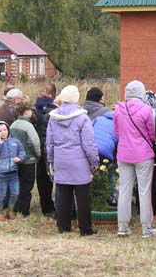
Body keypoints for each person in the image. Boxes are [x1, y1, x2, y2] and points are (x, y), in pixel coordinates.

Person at [46, 85, 100, 235]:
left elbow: (49, 142)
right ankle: (85, 228)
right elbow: (89, 144)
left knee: (63, 193)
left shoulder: (53, 117)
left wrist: (50, 160)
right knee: (82, 196)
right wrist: (94, 161)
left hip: (60, 159)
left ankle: (63, 226)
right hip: (79, 161)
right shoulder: (83, 117)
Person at [114, 80, 156, 238]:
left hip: (124, 153)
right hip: (143, 154)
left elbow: (117, 132)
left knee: (124, 190)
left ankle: (123, 226)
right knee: (144, 190)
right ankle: (146, 227)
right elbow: (152, 134)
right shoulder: (146, 110)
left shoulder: (118, 109)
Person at [10, 99, 42, 217]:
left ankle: (15, 208)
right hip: (29, 161)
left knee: (17, 184)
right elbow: (34, 143)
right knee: (27, 186)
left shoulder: (13, 125)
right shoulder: (28, 126)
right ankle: (24, 211)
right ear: (27, 111)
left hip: (17, 160)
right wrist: (37, 155)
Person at [0, 121, 25, 221]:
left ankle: (11, 210)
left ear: (8, 130)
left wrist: (20, 158)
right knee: (2, 193)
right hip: (1, 174)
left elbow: (22, 151)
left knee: (15, 192)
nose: (3, 132)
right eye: (0, 131)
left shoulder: (15, 142)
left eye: (4, 130)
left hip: (13, 173)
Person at [34, 84, 58, 216]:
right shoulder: (52, 111)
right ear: (52, 94)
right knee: (48, 178)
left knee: (42, 176)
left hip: (39, 144)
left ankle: (45, 203)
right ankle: (49, 207)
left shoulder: (36, 106)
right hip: (47, 146)